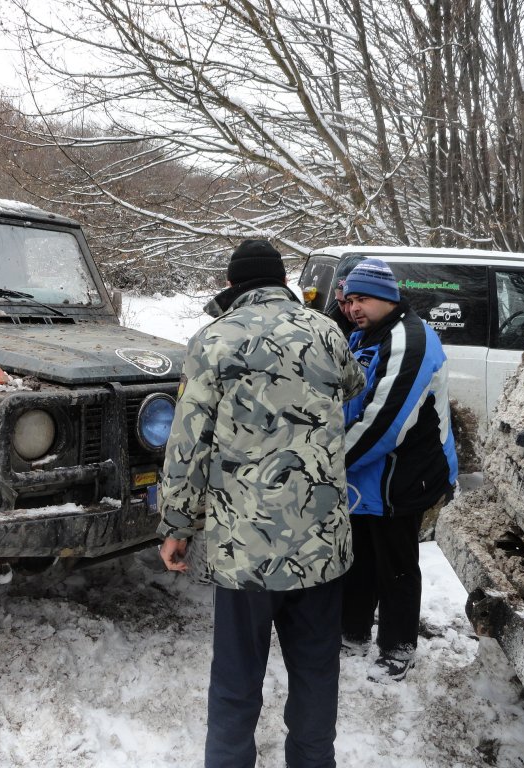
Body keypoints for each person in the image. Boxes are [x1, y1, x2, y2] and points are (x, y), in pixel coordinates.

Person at [157, 238, 365, 768]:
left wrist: (178, 524)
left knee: (236, 678)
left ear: (232, 285)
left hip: (244, 549)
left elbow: (188, 445)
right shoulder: (327, 330)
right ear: (283, 281)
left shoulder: (213, 340)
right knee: (317, 675)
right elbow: (352, 385)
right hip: (320, 546)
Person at [339, 257, 458, 682]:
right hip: (367, 474)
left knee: (397, 565)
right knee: (361, 557)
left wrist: (332, 462)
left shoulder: (410, 339)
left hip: (404, 473)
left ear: (388, 297)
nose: (354, 308)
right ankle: (352, 632)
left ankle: (398, 647)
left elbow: (384, 422)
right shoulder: (364, 336)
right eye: (349, 299)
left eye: (363, 299)